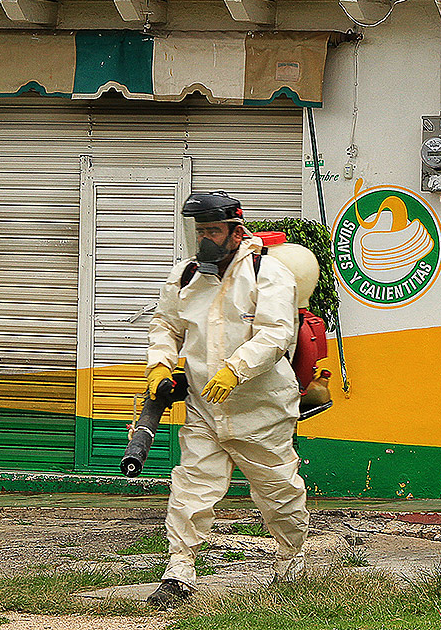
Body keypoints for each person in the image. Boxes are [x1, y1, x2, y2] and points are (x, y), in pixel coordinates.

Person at [145, 191, 309, 608]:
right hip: (205, 405)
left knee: (279, 491)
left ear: (236, 232)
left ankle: (291, 561)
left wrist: (236, 368)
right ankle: (178, 572)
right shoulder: (185, 277)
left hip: (262, 407)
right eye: (198, 231)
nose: (204, 240)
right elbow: (165, 323)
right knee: (191, 488)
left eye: (213, 231)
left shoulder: (268, 273)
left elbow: (276, 333)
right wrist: (160, 365)